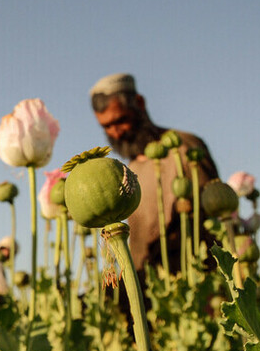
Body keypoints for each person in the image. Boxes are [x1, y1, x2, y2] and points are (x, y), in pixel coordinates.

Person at [90, 73, 219, 273]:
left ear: (139, 103)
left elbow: (214, 214)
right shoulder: (128, 171)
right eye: (107, 126)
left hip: (195, 277)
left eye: (121, 120)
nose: (116, 132)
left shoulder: (184, 148)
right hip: (148, 282)